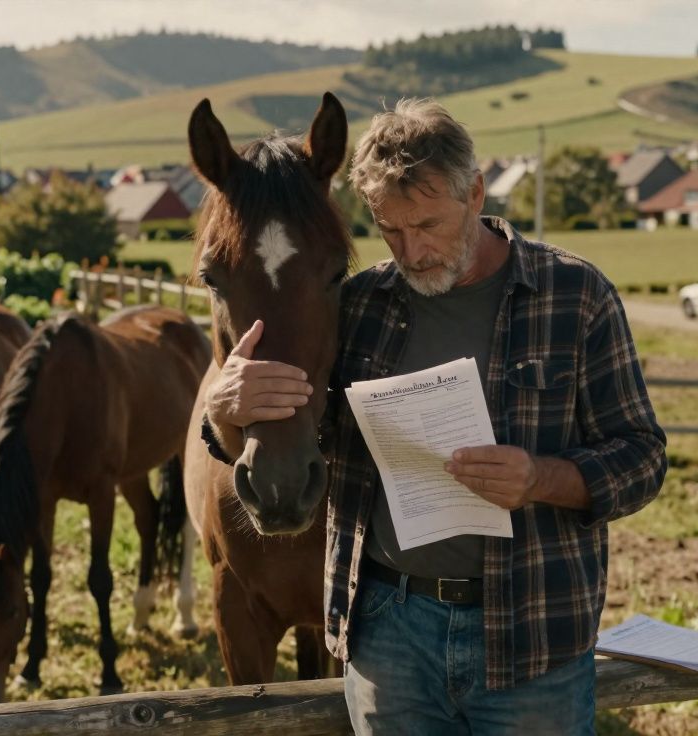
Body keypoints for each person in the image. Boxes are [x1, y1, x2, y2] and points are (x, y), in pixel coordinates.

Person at [204, 98, 667, 734]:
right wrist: (224, 408)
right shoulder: (362, 304)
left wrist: (541, 478)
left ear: (475, 193)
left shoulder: (576, 297)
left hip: (533, 635)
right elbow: (298, 433)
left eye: (427, 225)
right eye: (390, 231)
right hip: (391, 635)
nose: (412, 251)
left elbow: (642, 457)